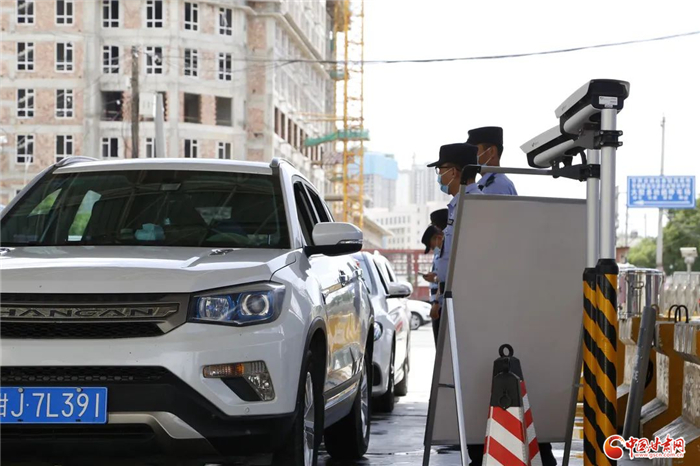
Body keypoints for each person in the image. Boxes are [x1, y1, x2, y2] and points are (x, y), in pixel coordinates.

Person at [464, 126, 557, 466]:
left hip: (499, 293)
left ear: (490, 150)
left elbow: (498, 240)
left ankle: (535, 451)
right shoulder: (488, 184)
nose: (473, 156)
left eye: (476, 149)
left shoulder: (498, 186)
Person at [426, 143, 480, 342]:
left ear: (453, 172)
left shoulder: (473, 204)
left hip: (465, 300)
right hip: (454, 298)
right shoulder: (459, 204)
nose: (439, 175)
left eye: (440, 170)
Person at [466, 126, 517, 195]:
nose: (471, 154)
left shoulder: (496, 186)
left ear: (492, 151)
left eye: (474, 150)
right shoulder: (493, 183)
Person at [420, 223, 443, 344]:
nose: (433, 249)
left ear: (437, 238)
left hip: (440, 305)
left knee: (440, 343)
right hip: (437, 303)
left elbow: (444, 281)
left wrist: (437, 303)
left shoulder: (445, 255)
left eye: (432, 246)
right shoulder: (439, 255)